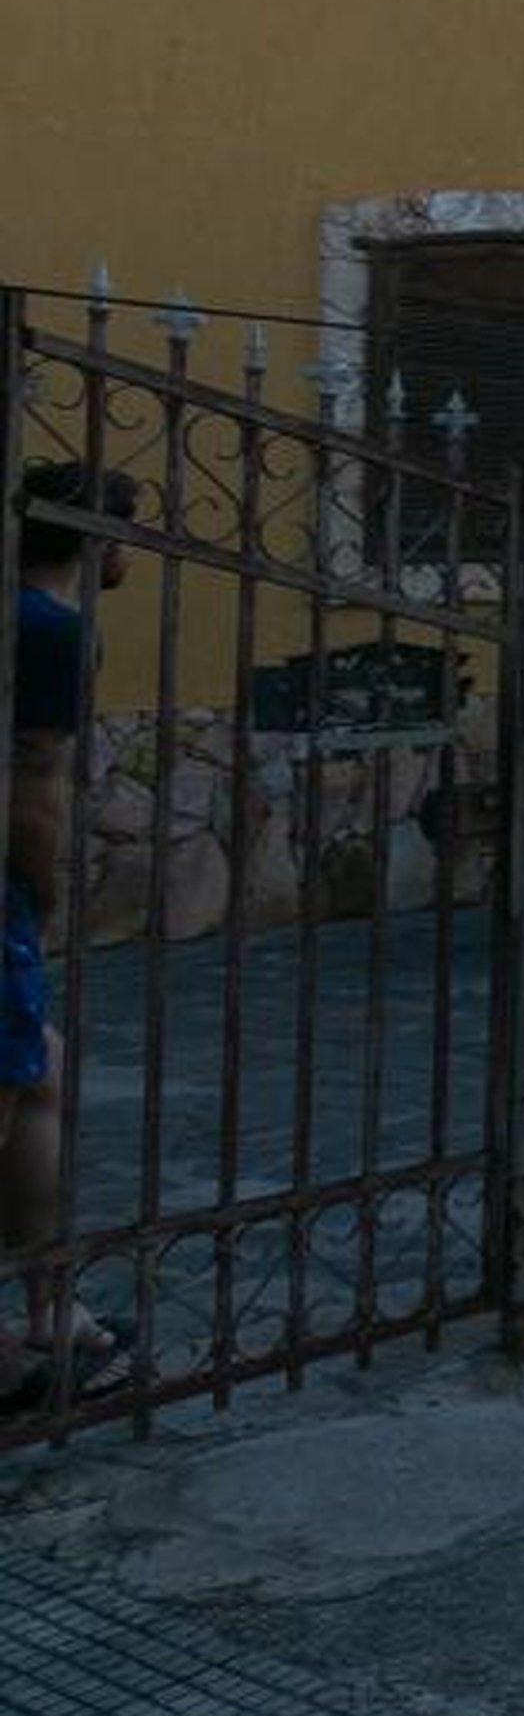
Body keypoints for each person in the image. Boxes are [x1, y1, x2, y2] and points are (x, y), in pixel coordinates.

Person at [5, 461, 143, 1409]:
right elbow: (38, 793)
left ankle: (56, 1311)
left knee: (39, 1071)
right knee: (19, 1087)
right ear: (99, 540)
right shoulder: (52, 633)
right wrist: (40, 907)